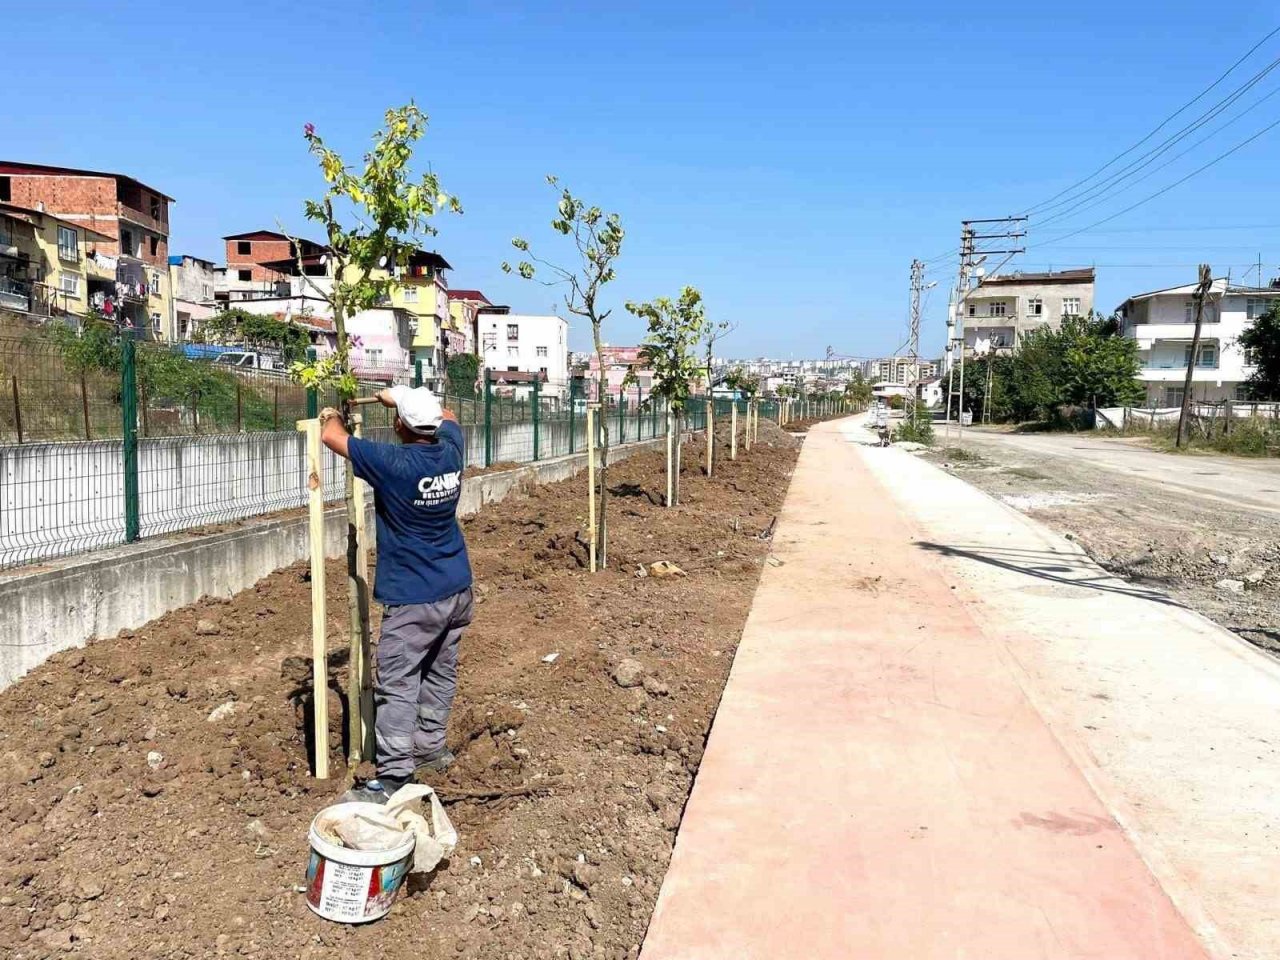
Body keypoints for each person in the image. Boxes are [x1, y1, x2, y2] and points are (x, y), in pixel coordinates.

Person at [319, 385, 473, 802]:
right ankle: (431, 748)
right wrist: (402, 395)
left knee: (398, 682)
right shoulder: (451, 450)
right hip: (456, 587)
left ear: (399, 425)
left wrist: (331, 411)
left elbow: (331, 435)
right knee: (440, 673)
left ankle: (393, 779)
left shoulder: (393, 462)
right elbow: (452, 414)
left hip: (414, 596)